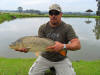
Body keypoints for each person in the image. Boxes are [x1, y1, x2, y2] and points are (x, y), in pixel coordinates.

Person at [16, 4, 81, 75]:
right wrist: (28, 49)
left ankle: (54, 68)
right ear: (49, 15)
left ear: (61, 14)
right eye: (51, 13)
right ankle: (51, 67)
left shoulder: (67, 28)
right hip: (45, 57)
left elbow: (77, 45)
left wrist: (63, 46)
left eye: (56, 13)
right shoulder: (43, 28)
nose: (53, 15)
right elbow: (38, 45)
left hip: (61, 59)